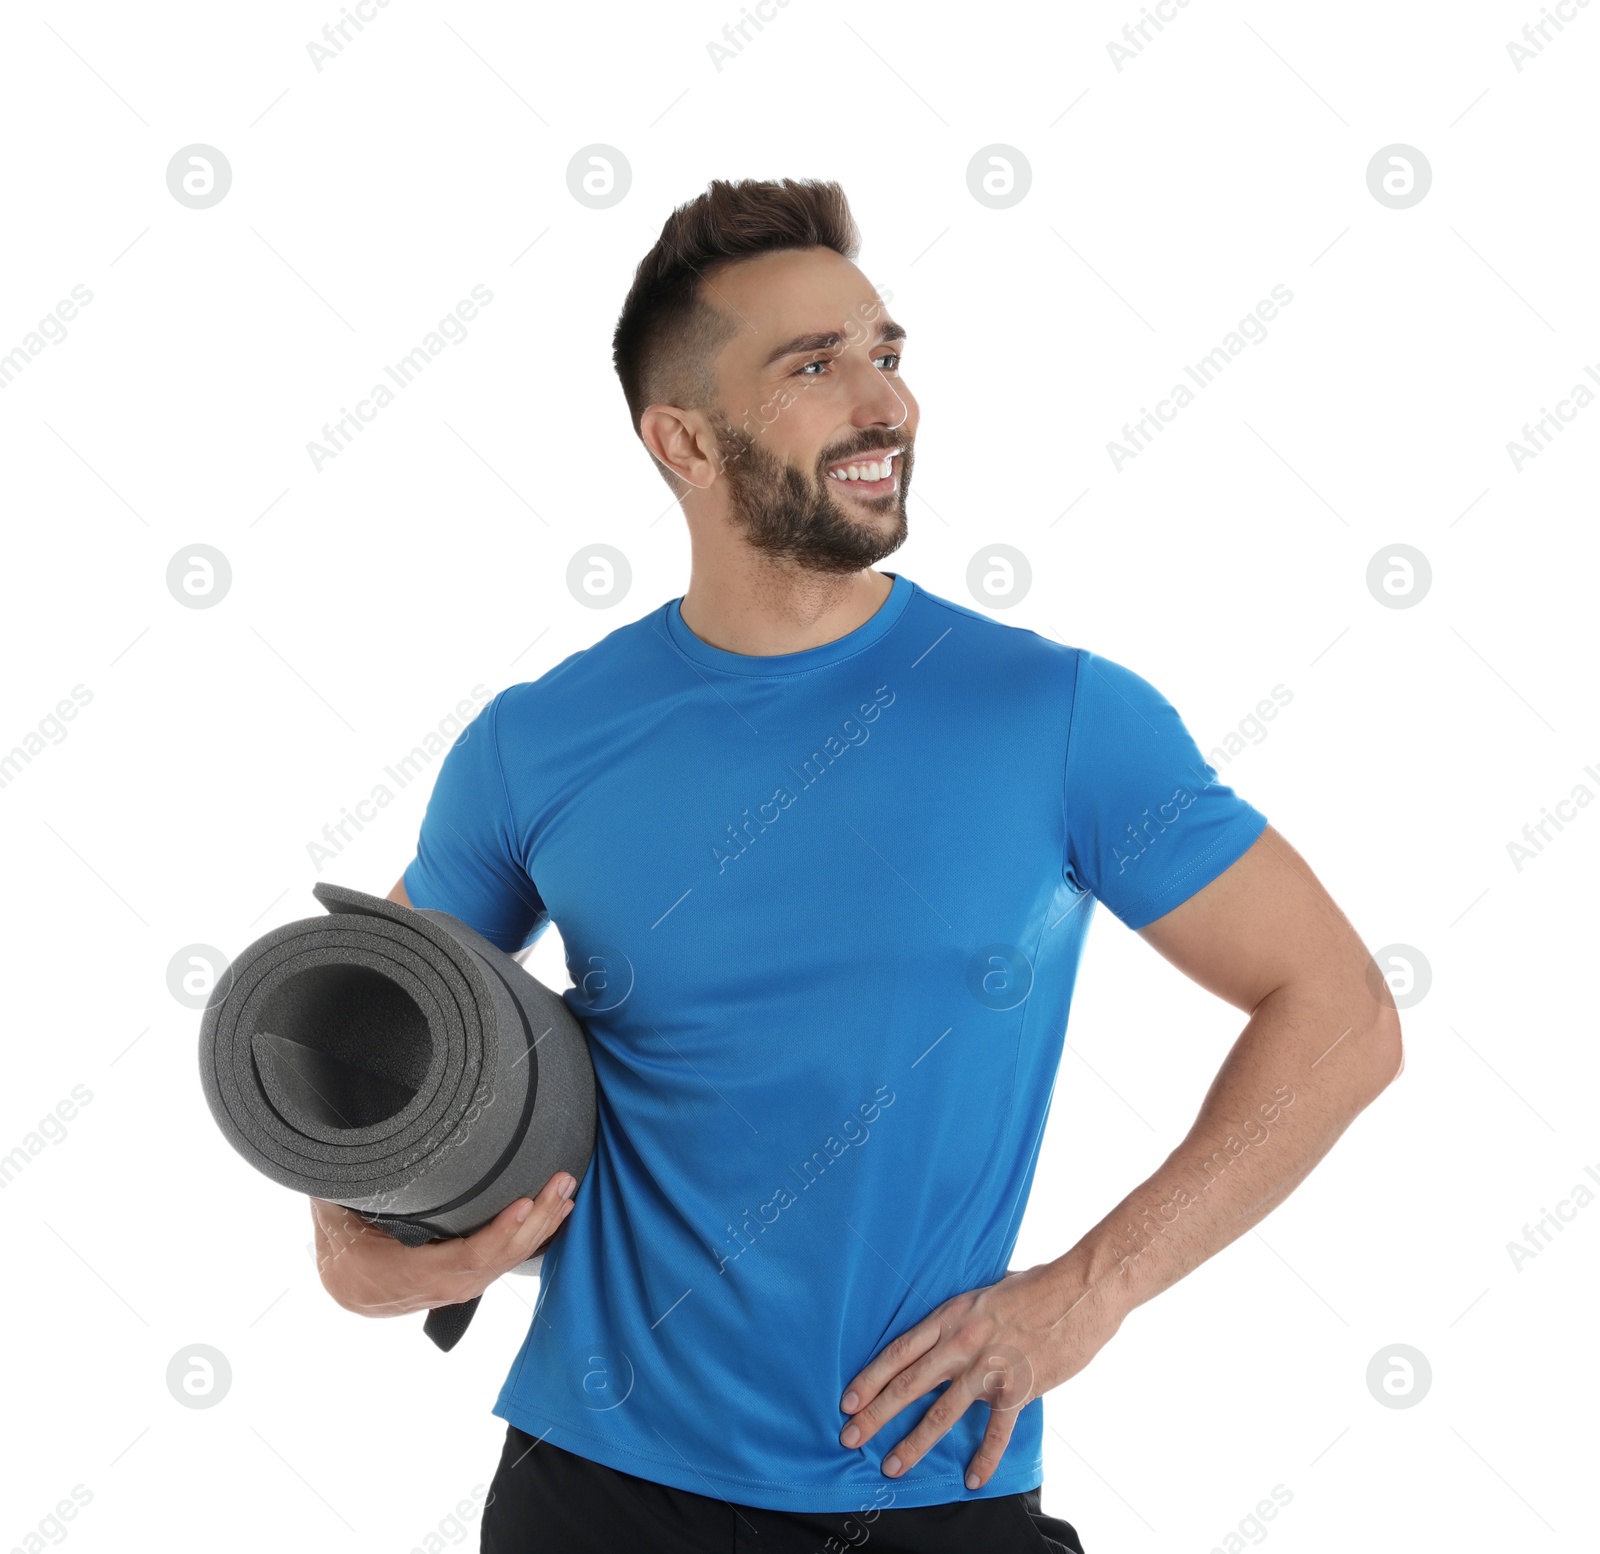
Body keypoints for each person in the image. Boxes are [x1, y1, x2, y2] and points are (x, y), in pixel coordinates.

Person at [309, 178, 1403, 1553]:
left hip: (930, 1486)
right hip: (598, 1494)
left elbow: (1341, 1012)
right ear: (684, 441)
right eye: (812, 367)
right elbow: (372, 1036)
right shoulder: (538, 743)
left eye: (885, 354)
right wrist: (353, 1239)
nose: (884, 403)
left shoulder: (1057, 715)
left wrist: (1094, 1286)